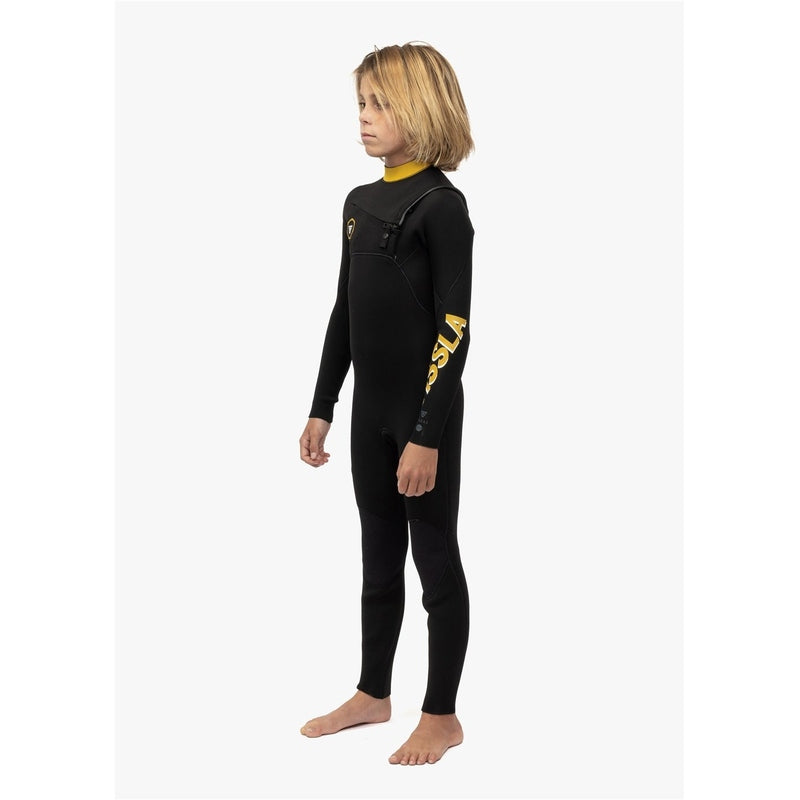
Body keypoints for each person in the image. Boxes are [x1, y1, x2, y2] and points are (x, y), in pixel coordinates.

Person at [298, 42, 475, 766]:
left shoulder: (441, 207)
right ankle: (373, 693)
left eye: (380, 104)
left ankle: (442, 714)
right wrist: (322, 405)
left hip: (423, 417)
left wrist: (426, 434)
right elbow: (345, 312)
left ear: (422, 108)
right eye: (361, 104)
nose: (364, 118)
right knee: (377, 559)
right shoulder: (358, 203)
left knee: (434, 560)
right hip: (369, 415)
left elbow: (454, 329)